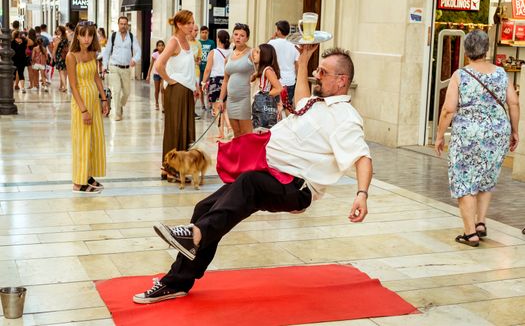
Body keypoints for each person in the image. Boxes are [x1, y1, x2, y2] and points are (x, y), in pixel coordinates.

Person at [132, 44, 372, 304]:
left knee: (249, 184)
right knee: (205, 208)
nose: (317, 74)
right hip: (270, 172)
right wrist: (303, 63)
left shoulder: (346, 117)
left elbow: (362, 157)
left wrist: (361, 194)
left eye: (323, 72)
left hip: (296, 186)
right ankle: (176, 282)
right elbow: (301, 98)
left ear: (341, 81)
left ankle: (196, 235)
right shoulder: (316, 102)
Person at [435, 30, 520, 247]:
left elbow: (448, 109)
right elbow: (514, 103)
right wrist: (514, 130)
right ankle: (480, 222)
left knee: (465, 182)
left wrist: (439, 135)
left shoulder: (460, 75)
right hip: (497, 134)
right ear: (487, 49)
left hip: (468, 136)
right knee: (485, 179)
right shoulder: (501, 74)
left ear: (466, 51)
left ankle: (470, 233)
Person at [155, 10, 199, 182]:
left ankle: (172, 168)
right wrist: (169, 81)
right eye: (188, 23)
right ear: (179, 25)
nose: (192, 26)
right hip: (177, 89)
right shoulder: (174, 42)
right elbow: (159, 64)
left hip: (186, 89)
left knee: (184, 129)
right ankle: (171, 168)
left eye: (192, 22)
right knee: (175, 129)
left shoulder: (186, 41)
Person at [66, 21, 109, 193]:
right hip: (81, 100)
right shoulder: (71, 56)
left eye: (90, 35)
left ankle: (88, 174)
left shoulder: (93, 53)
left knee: (94, 139)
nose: (87, 38)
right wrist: (83, 110)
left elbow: (96, 77)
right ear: (77, 35)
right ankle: (78, 182)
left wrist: (104, 99)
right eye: (83, 34)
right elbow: (73, 86)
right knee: (82, 140)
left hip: (93, 98)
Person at [216, 23, 255, 137]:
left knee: (246, 133)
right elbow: (226, 80)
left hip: (245, 98)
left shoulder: (252, 53)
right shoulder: (229, 56)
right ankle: (239, 155)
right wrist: (221, 99)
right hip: (231, 100)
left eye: (242, 35)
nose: (238, 37)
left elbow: (260, 71)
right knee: (236, 133)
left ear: (247, 38)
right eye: (236, 34)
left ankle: (248, 155)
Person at [102, 16, 142, 121]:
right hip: (114, 67)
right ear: (118, 24)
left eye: (125, 24)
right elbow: (106, 52)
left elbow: (138, 51)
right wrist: (104, 65)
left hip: (126, 68)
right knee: (117, 90)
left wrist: (134, 59)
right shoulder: (113, 36)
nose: (123, 26)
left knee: (127, 92)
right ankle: (118, 114)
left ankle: (120, 105)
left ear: (128, 25)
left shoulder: (132, 37)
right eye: (121, 24)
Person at [201, 29, 232, 139]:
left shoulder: (213, 52)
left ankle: (225, 130)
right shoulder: (231, 52)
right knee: (225, 107)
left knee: (217, 108)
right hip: (228, 80)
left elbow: (207, 69)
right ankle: (226, 129)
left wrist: (203, 82)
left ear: (218, 39)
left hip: (215, 81)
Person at [251, 43, 283, 130]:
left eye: (257, 52)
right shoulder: (263, 70)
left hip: (264, 105)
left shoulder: (267, 70)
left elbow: (279, 88)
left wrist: (264, 97)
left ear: (265, 55)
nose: (254, 54)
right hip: (262, 104)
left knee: (262, 129)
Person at [268, 20, 299, 108]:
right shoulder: (295, 45)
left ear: (278, 31)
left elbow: (263, 51)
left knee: (273, 107)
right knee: (287, 107)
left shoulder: (272, 43)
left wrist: (271, 38)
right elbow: (297, 65)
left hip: (275, 80)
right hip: (290, 80)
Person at [199, 25, 216, 110]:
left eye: (206, 32)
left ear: (208, 33)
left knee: (209, 86)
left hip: (209, 68)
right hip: (200, 68)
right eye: (202, 32)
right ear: (200, 33)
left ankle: (209, 103)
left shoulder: (211, 43)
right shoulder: (198, 42)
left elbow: (214, 54)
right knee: (200, 86)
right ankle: (202, 104)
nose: (204, 34)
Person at [145, 40, 166, 111]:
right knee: (157, 90)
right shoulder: (155, 54)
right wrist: (148, 75)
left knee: (163, 89)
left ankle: (163, 106)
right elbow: (151, 65)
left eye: (162, 45)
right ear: (157, 47)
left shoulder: (166, 53)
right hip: (156, 74)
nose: (161, 47)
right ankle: (156, 103)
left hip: (164, 74)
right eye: (159, 45)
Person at [188, 24, 203, 116]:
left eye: (197, 30)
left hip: (196, 71)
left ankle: (191, 111)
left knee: (196, 92)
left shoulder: (198, 43)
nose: (196, 32)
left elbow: (200, 57)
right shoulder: (185, 42)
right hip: (187, 71)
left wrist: (198, 60)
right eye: (195, 30)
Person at [52, 26, 69, 92]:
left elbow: (55, 49)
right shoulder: (66, 38)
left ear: (61, 31)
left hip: (59, 56)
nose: (57, 31)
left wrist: (53, 57)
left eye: (58, 30)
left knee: (61, 72)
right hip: (66, 55)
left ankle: (64, 86)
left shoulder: (58, 39)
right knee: (64, 72)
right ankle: (61, 86)